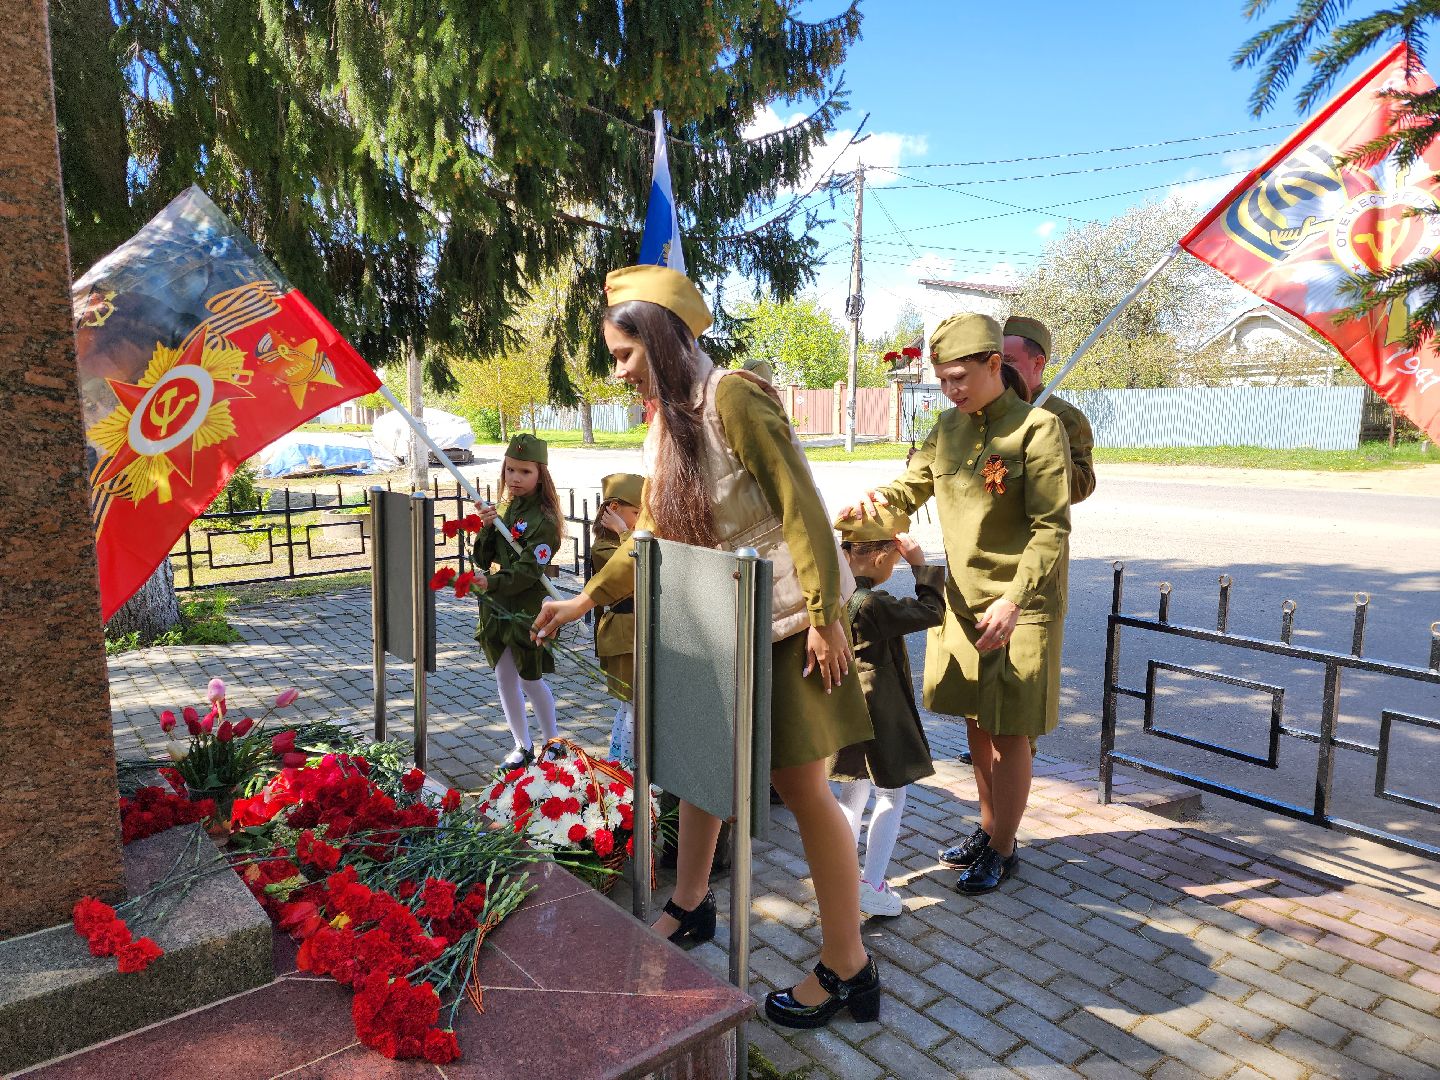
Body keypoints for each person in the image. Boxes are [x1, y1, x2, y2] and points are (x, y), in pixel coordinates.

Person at [533, 264, 881, 1029]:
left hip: (786, 623)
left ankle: (849, 967)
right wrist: (586, 598)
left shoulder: (734, 396)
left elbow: (802, 503)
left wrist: (827, 615)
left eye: (624, 353)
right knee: (698, 768)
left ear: (658, 337)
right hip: (711, 620)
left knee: (802, 789)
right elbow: (652, 535)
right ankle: (690, 906)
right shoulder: (668, 420)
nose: (618, 370)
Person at [840, 312, 1071, 895]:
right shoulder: (947, 427)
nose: (952, 390)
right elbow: (910, 486)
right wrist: (867, 506)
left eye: (961, 377)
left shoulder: (1038, 430)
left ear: (997, 365)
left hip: (1020, 602)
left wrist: (1015, 600)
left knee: (1010, 728)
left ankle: (1004, 846)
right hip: (962, 598)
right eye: (943, 380)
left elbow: (1051, 529)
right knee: (974, 718)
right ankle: (989, 827)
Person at [830, 505, 945, 917]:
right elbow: (932, 611)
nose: (895, 566)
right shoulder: (871, 603)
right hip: (879, 709)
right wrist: (921, 566)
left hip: (845, 706)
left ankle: (841, 879)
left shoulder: (834, 592)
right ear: (880, 557)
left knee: (851, 790)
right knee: (892, 794)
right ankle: (871, 884)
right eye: (894, 561)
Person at [472, 433, 565, 769]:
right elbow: (483, 555)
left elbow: (528, 571)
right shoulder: (506, 511)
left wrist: (491, 582)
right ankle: (521, 745)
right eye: (510, 470)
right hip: (498, 609)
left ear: (541, 474)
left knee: (530, 677)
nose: (515, 478)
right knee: (504, 677)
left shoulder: (546, 522)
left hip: (526, 610)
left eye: (525, 471)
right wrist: (486, 527)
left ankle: (552, 741)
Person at [1003, 315, 1096, 505]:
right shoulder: (989, 407)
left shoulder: (1063, 415)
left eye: (1009, 361)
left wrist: (1039, 451)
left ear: (1038, 363)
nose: (999, 369)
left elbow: (1081, 487)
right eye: (996, 362)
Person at [591, 472, 645, 767]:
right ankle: (629, 770)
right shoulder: (604, 547)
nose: (641, 519)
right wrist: (625, 532)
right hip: (623, 635)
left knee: (633, 708)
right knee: (634, 706)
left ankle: (621, 764)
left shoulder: (633, 539)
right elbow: (634, 569)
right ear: (613, 509)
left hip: (635, 634)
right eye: (636, 512)